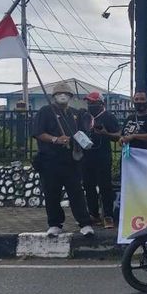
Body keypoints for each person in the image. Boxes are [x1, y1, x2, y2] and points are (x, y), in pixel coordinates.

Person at [32, 81, 94, 237]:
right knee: (52, 193)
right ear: (53, 96)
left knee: (76, 193)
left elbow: (81, 132)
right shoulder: (45, 111)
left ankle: (85, 223)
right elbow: (38, 133)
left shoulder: (74, 114)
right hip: (50, 160)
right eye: (59, 93)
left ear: (70, 96)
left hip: (71, 160)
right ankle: (55, 224)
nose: (62, 96)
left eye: (65, 93)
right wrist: (55, 139)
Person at [81, 91, 120, 229]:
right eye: (88, 102)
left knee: (105, 187)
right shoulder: (85, 116)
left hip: (102, 156)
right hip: (86, 156)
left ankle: (108, 215)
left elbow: (118, 135)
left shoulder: (108, 116)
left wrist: (105, 133)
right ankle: (93, 214)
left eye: (93, 102)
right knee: (88, 186)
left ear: (101, 103)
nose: (90, 105)